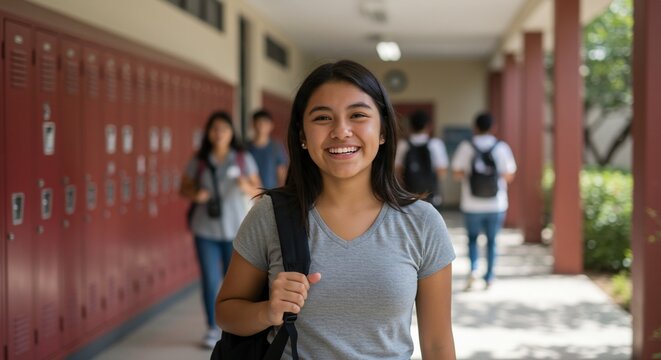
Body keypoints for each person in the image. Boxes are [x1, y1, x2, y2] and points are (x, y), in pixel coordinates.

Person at [216, 60, 456, 359]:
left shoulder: (422, 222)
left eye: (357, 115)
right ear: (302, 136)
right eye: (322, 118)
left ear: (382, 131)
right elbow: (226, 312)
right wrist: (268, 311)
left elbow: (437, 345)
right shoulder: (271, 215)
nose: (341, 131)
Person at [179, 111, 262, 348]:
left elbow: (258, 190)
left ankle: (234, 328)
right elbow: (184, 187)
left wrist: (244, 184)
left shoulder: (242, 159)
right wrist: (196, 194)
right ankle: (211, 328)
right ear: (208, 133)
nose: (219, 134)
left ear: (231, 133)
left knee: (235, 282)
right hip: (205, 229)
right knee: (209, 278)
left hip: (237, 230)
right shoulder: (200, 160)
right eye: (214, 129)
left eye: (224, 129)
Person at [451, 112, 516, 290]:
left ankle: (473, 270)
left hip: (471, 204)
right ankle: (489, 277)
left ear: (475, 127)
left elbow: (456, 174)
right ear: (493, 128)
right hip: (496, 203)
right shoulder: (501, 147)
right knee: (492, 240)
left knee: (472, 239)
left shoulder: (466, 147)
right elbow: (509, 175)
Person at [395, 110, 449, 208]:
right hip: (431, 195)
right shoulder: (436, 144)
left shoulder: (402, 145)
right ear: (429, 126)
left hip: (408, 195)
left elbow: (397, 171)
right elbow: (442, 172)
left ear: (410, 127)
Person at [247, 109, 288, 189]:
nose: (261, 126)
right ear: (253, 124)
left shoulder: (276, 147)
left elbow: (282, 173)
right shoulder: (245, 148)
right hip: (249, 195)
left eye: (265, 123)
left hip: (270, 193)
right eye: (259, 122)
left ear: (271, 126)